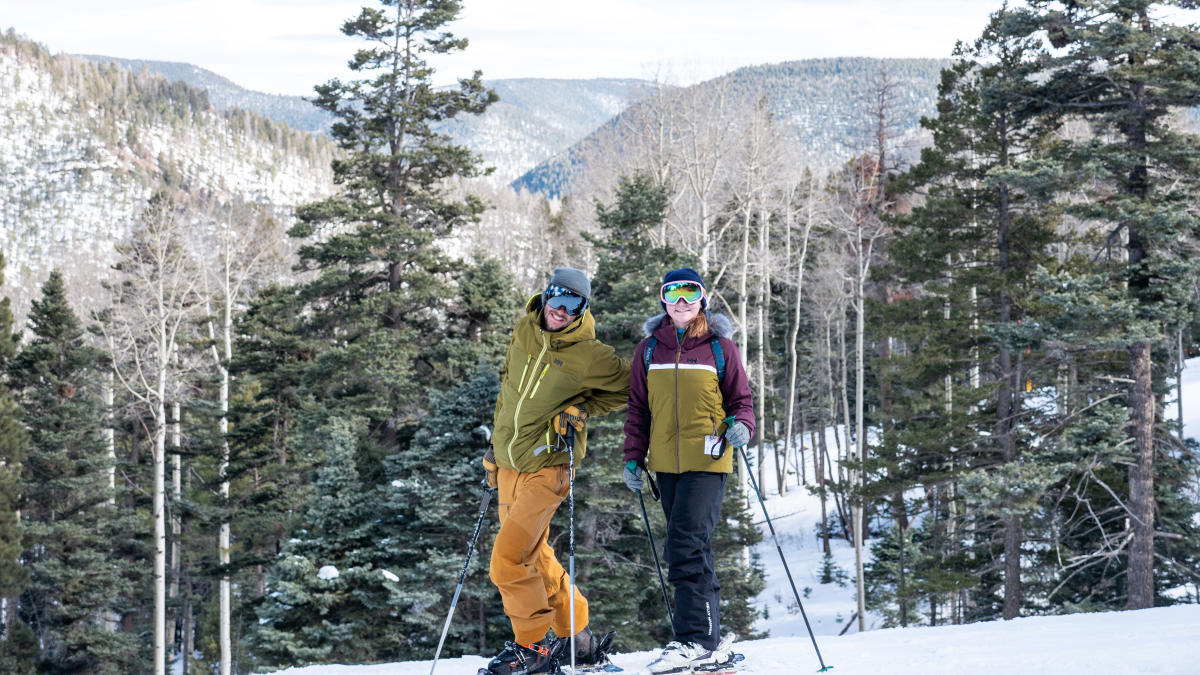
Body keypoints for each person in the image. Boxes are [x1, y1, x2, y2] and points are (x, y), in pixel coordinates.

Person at [482, 267, 631, 675]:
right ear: (545, 295)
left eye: (573, 304)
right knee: (535, 554)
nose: (560, 311)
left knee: (508, 559)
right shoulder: (524, 330)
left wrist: (583, 408)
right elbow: (508, 391)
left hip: (549, 467)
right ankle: (577, 637)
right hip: (509, 466)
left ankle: (533, 647)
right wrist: (495, 451)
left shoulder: (589, 354)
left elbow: (630, 387)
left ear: (582, 310)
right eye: (557, 299)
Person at [622, 267, 754, 675]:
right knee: (695, 549)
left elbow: (741, 401)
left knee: (684, 545)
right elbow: (638, 412)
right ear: (663, 299)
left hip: (707, 460)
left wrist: (743, 427)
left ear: (701, 299)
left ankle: (693, 640)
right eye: (673, 293)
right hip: (665, 466)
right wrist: (633, 457)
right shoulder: (649, 350)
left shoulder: (719, 348)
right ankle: (708, 641)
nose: (681, 302)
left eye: (689, 293)